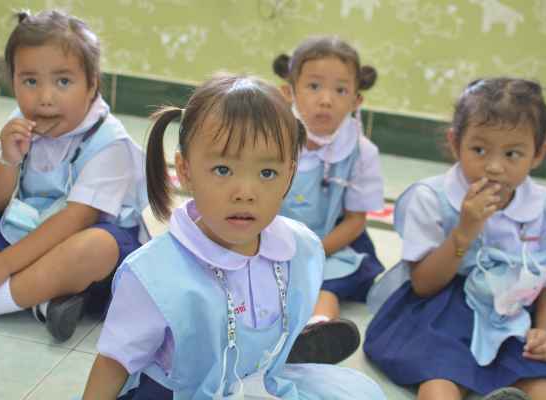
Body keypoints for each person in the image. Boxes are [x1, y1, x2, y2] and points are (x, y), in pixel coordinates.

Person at [81, 74, 386, 399]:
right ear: (185, 170)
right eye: (223, 170)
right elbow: (113, 365)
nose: (245, 193)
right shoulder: (154, 275)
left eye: (267, 173)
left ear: (289, 175)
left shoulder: (298, 248)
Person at [364, 78, 546, 400]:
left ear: (538, 153)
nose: (494, 167)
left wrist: (544, 332)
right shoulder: (431, 197)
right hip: (439, 314)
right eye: (479, 150)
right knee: (438, 386)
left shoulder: (544, 206)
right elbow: (423, 284)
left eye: (513, 153)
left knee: (545, 389)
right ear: (455, 142)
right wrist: (464, 231)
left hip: (509, 319)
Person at [0, 10, 147, 342]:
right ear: (13, 81)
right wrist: (8, 160)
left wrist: (0, 266)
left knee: (95, 247)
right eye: (30, 81)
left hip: (83, 250)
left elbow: (74, 221)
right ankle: (44, 297)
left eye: (63, 82)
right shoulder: (20, 123)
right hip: (25, 231)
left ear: (92, 85)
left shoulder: (109, 143)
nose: (45, 98)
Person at [273, 36, 385, 364]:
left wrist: (314, 252)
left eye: (340, 90)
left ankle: (318, 331)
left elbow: (355, 221)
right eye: (313, 86)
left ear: (356, 100)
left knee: (328, 283)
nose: (326, 100)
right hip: (268, 234)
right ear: (289, 92)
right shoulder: (271, 136)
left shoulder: (361, 151)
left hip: (331, 242)